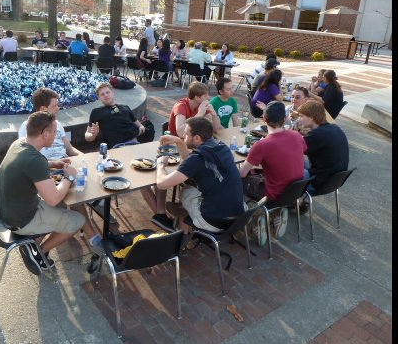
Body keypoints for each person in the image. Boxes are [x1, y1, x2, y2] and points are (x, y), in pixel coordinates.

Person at [0, 111, 103, 274]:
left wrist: (54, 163)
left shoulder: (19, 144)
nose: (56, 135)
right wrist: (69, 178)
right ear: (45, 134)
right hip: (21, 220)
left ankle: (33, 244)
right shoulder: (35, 160)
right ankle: (38, 252)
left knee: (64, 204)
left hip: (9, 211)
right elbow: (53, 199)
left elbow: (32, 166)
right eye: (55, 132)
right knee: (77, 220)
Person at [150, 116, 245, 234]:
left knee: (186, 190)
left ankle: (181, 233)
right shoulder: (222, 147)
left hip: (214, 222)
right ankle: (180, 210)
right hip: (238, 217)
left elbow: (162, 184)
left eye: (185, 135)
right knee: (197, 188)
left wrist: (160, 165)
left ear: (196, 138)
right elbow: (190, 162)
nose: (183, 137)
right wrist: (179, 142)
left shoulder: (197, 159)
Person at [238, 101, 307, 244]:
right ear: (284, 119)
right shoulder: (296, 136)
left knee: (237, 182)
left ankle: (255, 216)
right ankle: (277, 213)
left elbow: (242, 174)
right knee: (259, 175)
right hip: (293, 192)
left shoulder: (262, 145)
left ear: (264, 119)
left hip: (272, 194)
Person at [296, 100, 349, 195]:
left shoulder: (317, 135)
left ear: (312, 117)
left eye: (301, 116)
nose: (299, 119)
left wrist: (295, 132)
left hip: (318, 183)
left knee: (288, 169)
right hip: (334, 182)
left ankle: (288, 203)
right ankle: (299, 202)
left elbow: (292, 150)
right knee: (301, 162)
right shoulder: (334, 128)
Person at [18, 88, 83, 160]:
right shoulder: (28, 125)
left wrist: (83, 156)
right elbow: (25, 154)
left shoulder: (57, 123)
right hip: (45, 165)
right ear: (43, 109)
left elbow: (70, 149)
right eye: (54, 106)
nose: (58, 108)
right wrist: (55, 163)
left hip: (65, 161)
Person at [85, 82, 146, 148]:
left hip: (133, 142)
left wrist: (140, 131)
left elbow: (140, 126)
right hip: (117, 146)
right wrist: (93, 135)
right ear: (99, 97)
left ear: (112, 92)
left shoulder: (125, 107)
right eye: (102, 94)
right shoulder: (97, 112)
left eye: (107, 92)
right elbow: (87, 136)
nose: (105, 95)